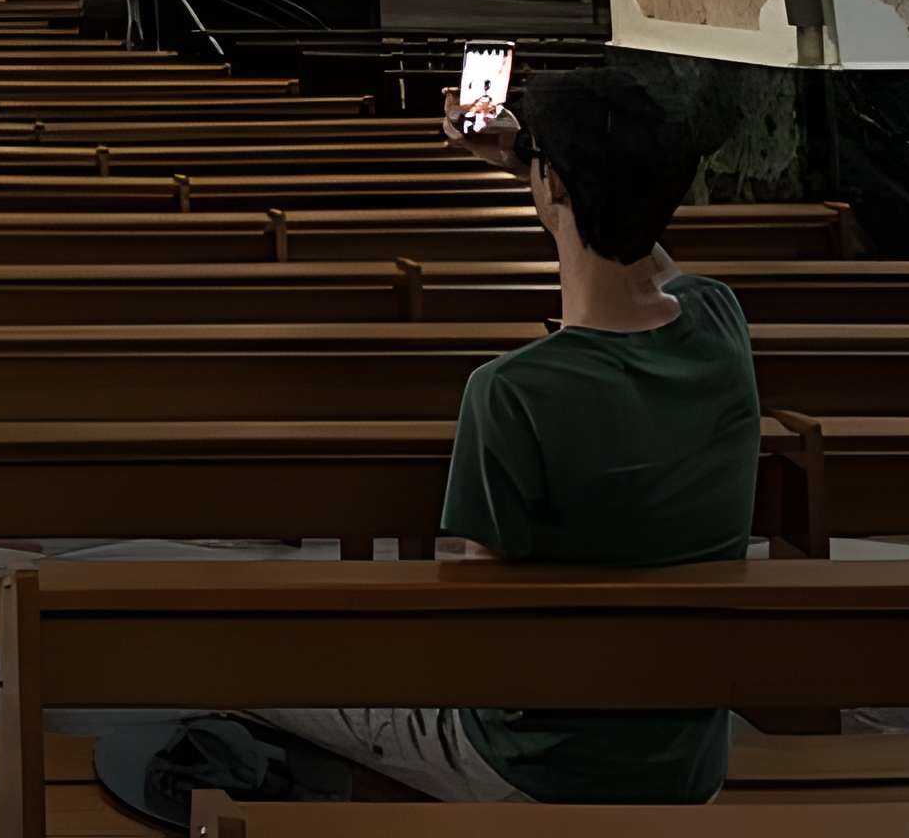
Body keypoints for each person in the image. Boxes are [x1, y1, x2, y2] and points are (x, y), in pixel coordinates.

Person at [250, 59, 760, 805]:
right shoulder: (720, 322)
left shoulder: (513, 392)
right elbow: (643, 253)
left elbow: (480, 636)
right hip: (684, 760)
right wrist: (535, 160)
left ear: (554, 187)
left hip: (537, 765)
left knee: (242, 659)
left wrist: (539, 168)